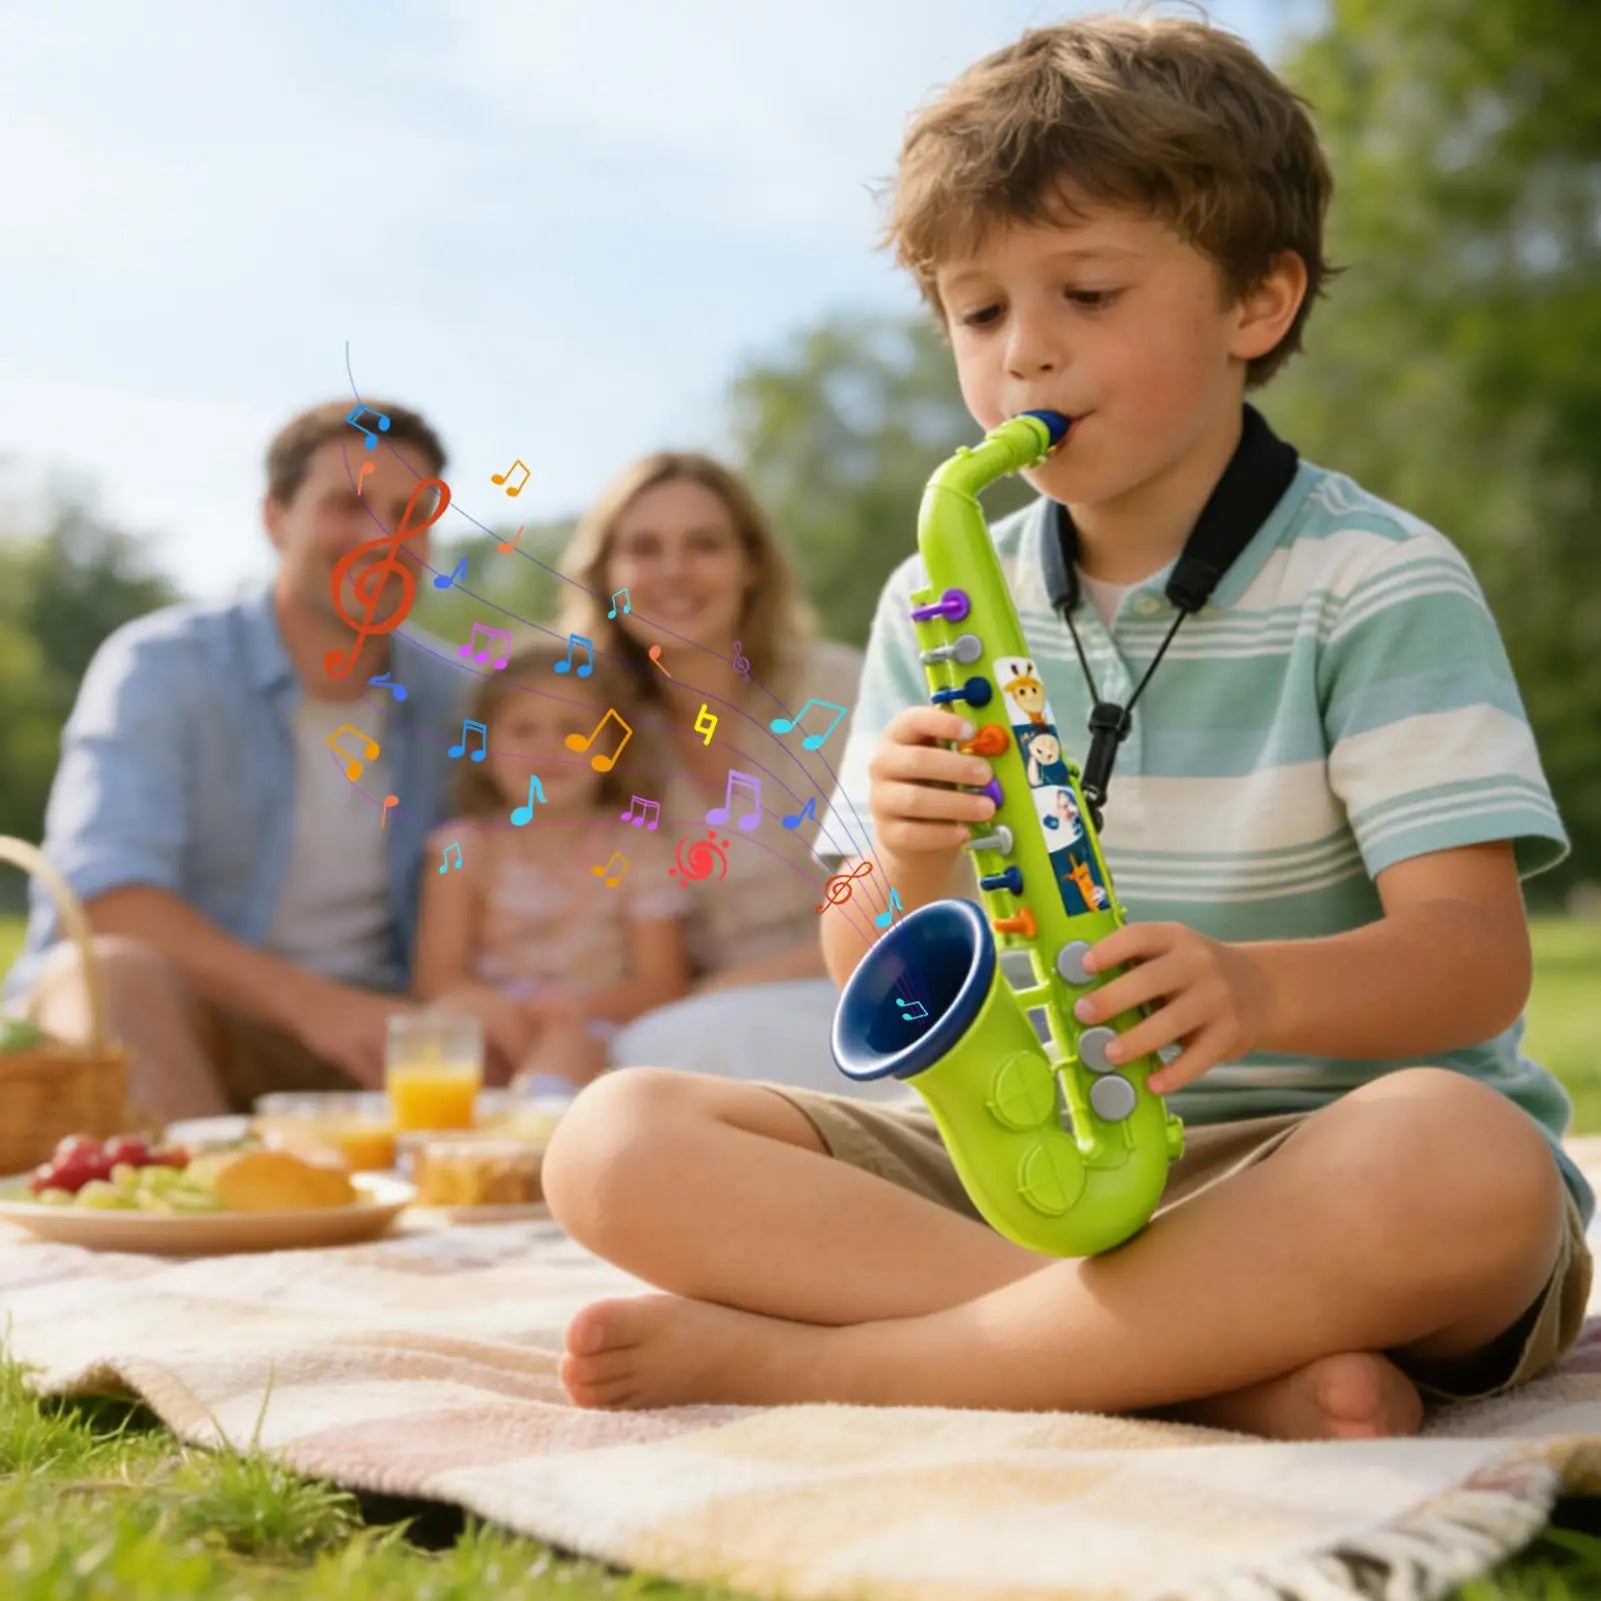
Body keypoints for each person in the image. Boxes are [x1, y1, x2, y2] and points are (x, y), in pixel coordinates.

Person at [536, 15, 1593, 1440]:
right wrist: (900, 863)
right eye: (978, 314)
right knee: (611, 1141)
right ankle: (1207, 1373)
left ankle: (869, 1361)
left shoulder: (1375, 578)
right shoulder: (936, 598)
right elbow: (857, 935)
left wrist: (1261, 994)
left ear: (1256, 304)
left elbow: (1472, 963)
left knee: (1470, 1161)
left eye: (1086, 292)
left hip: (1319, 1162)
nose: (1025, 353)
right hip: (1028, 1166)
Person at [3, 399, 466, 1121]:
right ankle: (206, 1211)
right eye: (348, 504)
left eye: (411, 512)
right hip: (198, 1017)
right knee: (109, 974)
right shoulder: (161, 667)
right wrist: (316, 1006)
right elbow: (103, 900)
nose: (383, 536)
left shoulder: (459, 699)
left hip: (384, 1037)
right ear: (275, 518)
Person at [555, 451, 881, 1095]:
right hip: (699, 1025)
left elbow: (900, 902)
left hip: (869, 990)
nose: (674, 571)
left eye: (704, 544)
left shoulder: (839, 689)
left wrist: (712, 992)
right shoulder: (598, 734)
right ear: (605, 577)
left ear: (751, 566)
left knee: (652, 1059)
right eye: (644, 548)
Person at [411, 639, 690, 1091]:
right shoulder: (463, 849)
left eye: (573, 729)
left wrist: (576, 1009)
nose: (548, 748)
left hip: (593, 1023)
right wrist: (498, 1012)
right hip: (494, 1017)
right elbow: (438, 975)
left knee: (567, 1047)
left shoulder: (638, 849)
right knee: (443, 1028)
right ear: (485, 749)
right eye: (523, 731)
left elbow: (662, 981)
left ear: (613, 747)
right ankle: (440, 1143)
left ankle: (541, 1129)